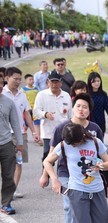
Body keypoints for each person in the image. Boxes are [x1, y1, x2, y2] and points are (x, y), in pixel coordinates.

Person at [41, 93, 105, 223]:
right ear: (72, 107)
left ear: (89, 110)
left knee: (90, 210)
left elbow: (101, 153)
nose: (81, 109)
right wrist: (48, 177)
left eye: (85, 107)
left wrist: (100, 167)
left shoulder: (95, 129)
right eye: (78, 106)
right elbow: (51, 154)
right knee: (70, 206)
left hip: (89, 174)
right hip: (65, 173)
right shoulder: (61, 128)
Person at [3, 67, 36, 199]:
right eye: (15, 79)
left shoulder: (22, 94)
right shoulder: (2, 94)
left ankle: (12, 190)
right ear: (7, 78)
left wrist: (34, 131)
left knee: (19, 162)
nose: (17, 81)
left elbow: (26, 113)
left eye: (19, 79)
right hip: (4, 134)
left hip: (20, 134)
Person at [33, 71, 73, 163]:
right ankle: (45, 176)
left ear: (61, 83)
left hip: (64, 132)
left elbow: (70, 115)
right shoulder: (41, 95)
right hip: (48, 132)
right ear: (48, 82)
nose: (54, 84)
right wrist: (45, 114)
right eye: (52, 82)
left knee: (64, 157)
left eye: (56, 82)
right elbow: (36, 112)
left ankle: (62, 176)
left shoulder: (66, 96)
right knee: (48, 156)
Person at [0, 71, 23, 215]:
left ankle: (6, 203)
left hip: (6, 143)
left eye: (1, 83)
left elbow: (15, 124)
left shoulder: (8, 102)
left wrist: (19, 143)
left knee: (8, 175)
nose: (0, 86)